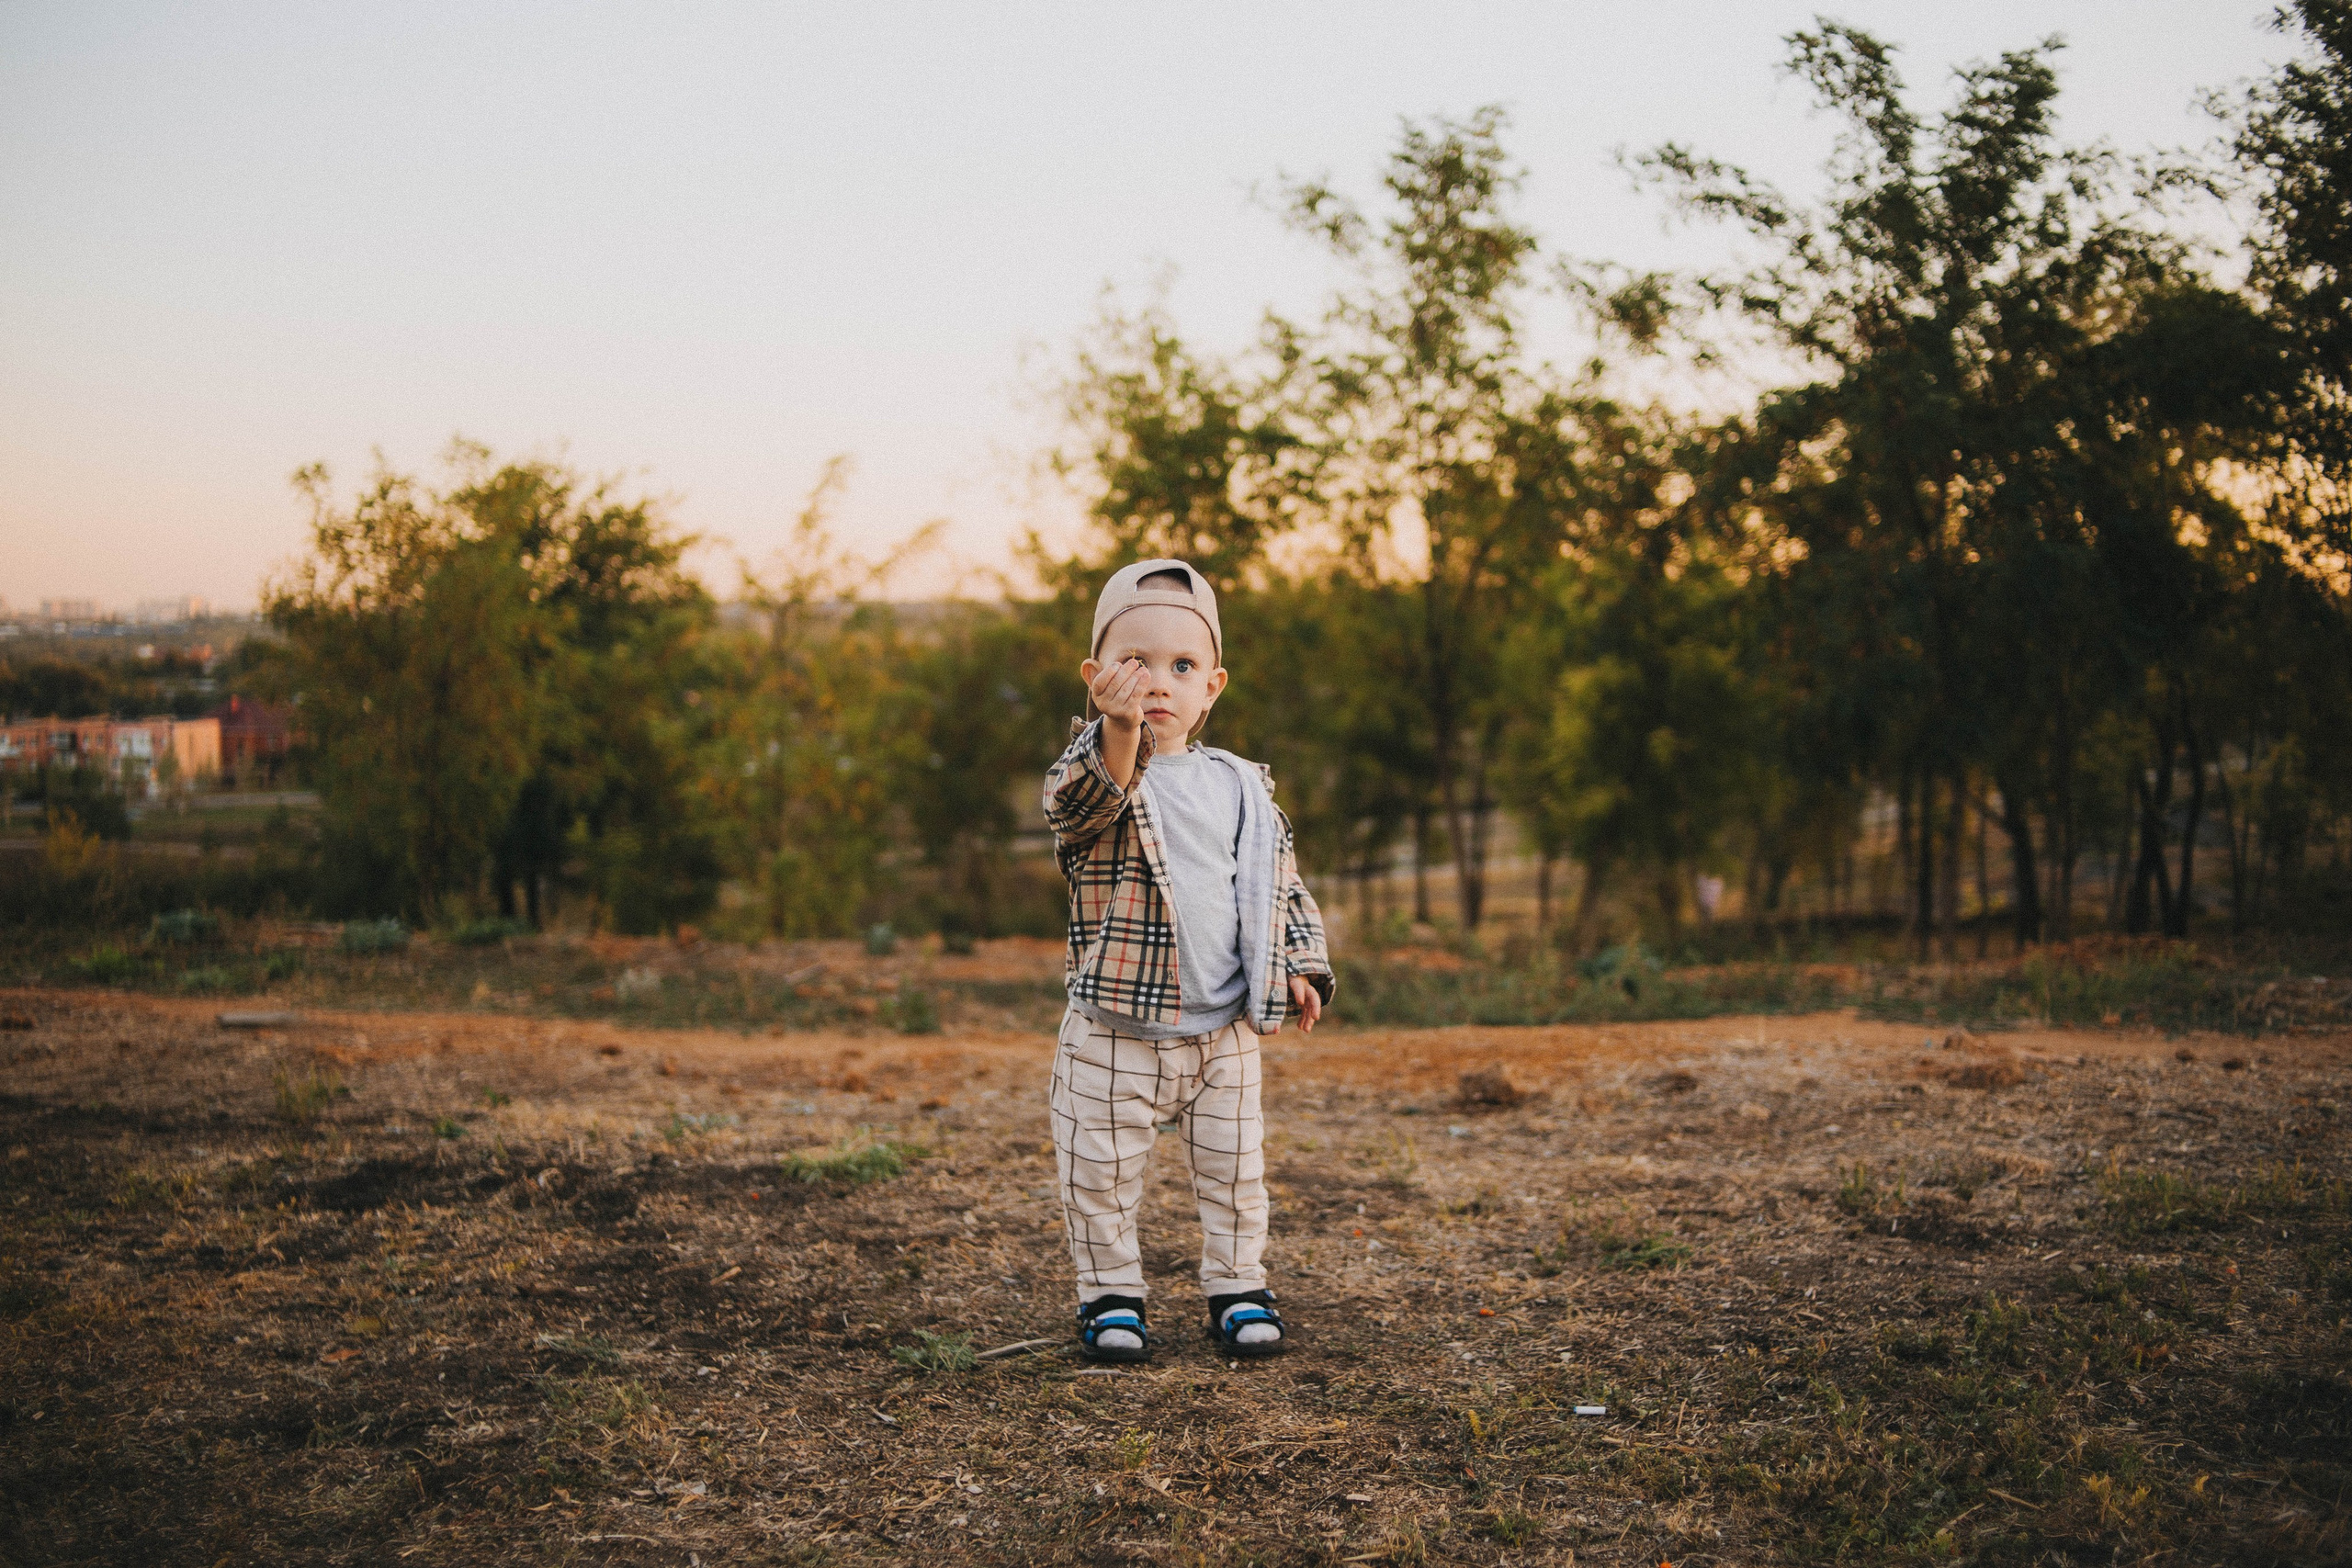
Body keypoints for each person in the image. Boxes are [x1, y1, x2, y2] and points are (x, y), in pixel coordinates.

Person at [1040, 558, 1335, 1363]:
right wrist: (1120, 729)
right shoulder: (1095, 773)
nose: (1157, 684)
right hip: (1113, 1034)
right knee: (1098, 1176)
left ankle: (1237, 1287)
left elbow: (1281, 884)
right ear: (1098, 676)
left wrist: (1300, 964)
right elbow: (1076, 804)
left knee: (1237, 1174)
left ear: (1213, 685)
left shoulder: (1239, 784)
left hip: (1223, 1033)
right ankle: (1111, 1299)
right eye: (1135, 664)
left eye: (1182, 666)